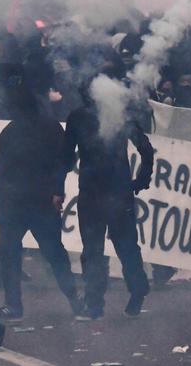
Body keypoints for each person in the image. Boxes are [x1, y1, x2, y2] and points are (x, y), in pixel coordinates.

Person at [64, 75, 153, 320]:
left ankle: (97, 303)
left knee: (98, 249)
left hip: (100, 192)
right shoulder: (116, 114)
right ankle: (128, 292)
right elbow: (145, 149)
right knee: (120, 247)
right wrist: (140, 180)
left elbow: (66, 155)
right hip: (110, 191)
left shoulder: (82, 117)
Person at [0, 81, 82, 323]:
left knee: (10, 255)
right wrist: (57, 191)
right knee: (55, 254)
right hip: (40, 201)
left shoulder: (10, 131)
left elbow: (4, 171)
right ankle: (76, 301)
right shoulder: (51, 128)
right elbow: (65, 163)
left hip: (15, 203)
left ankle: (13, 306)